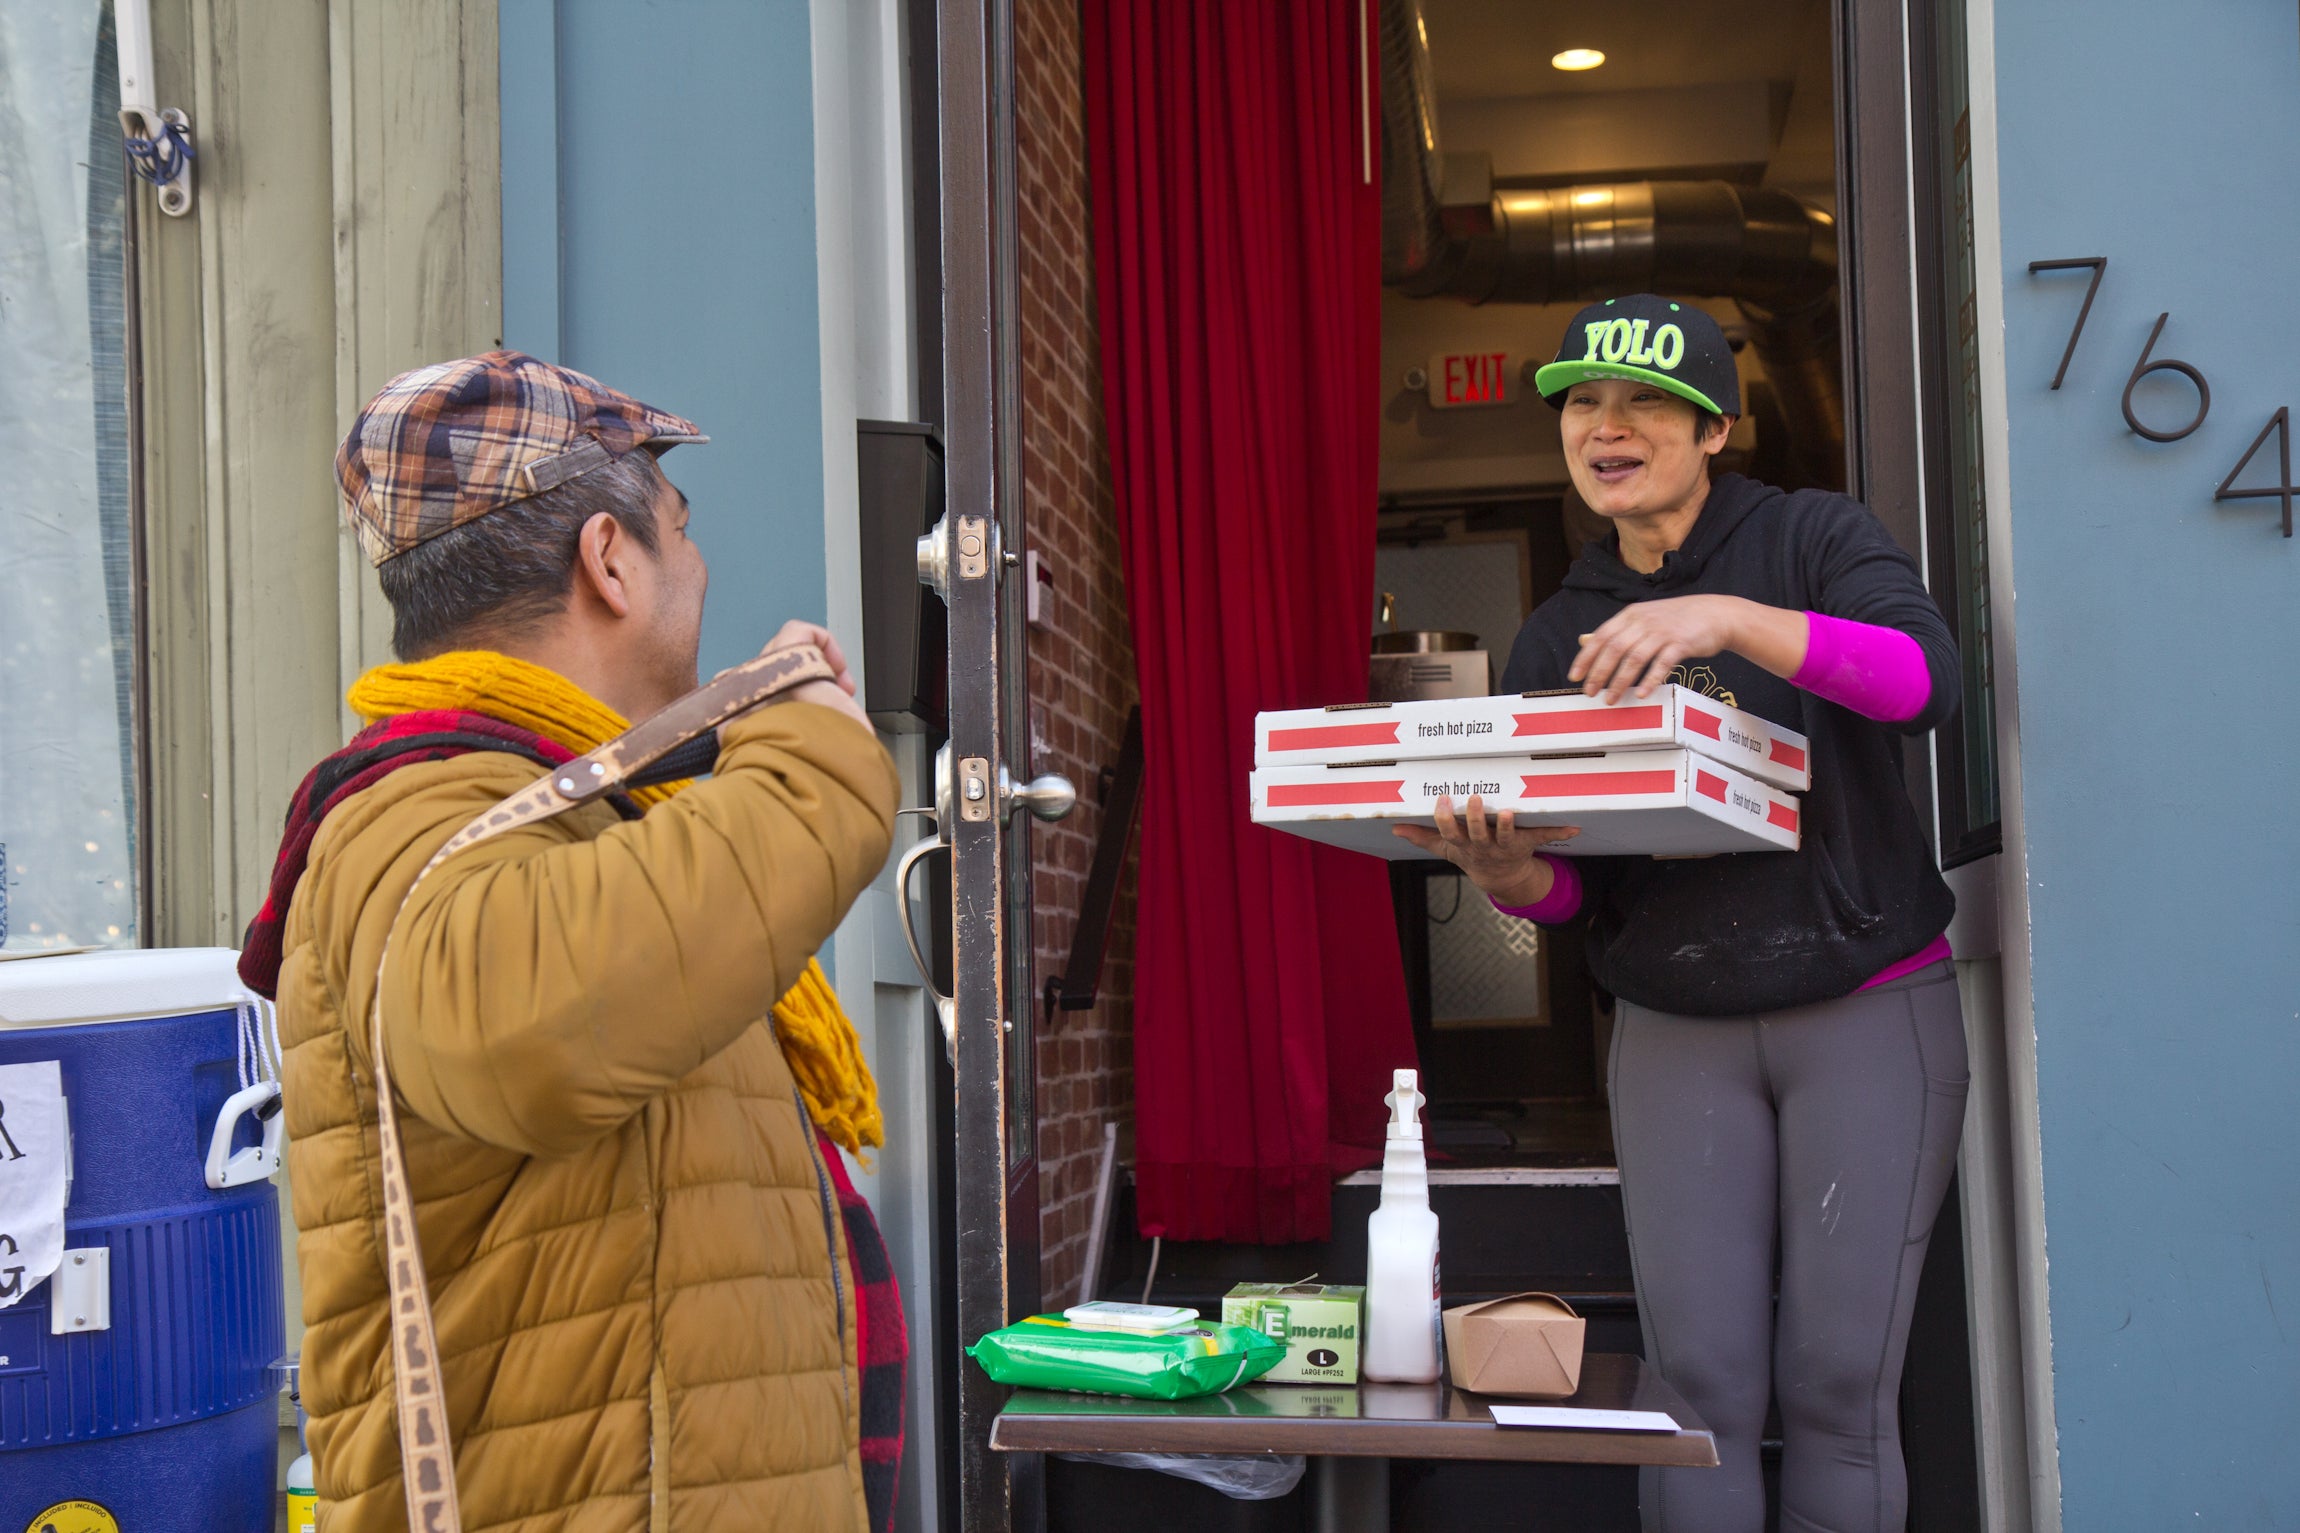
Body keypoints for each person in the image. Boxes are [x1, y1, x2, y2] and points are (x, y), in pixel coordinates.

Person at [243, 352, 902, 1531]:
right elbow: (531, 1033)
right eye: (680, 533)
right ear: (610, 560)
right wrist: (814, 757)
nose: (699, 570)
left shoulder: (581, 816)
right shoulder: (407, 813)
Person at [1398, 297, 1965, 1533]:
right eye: (1580, 403)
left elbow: (1924, 682)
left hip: (1863, 1012)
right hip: (1672, 1030)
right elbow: (1580, 890)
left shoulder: (1811, 538)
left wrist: (1721, 619)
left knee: (1838, 1389)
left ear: (1715, 430)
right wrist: (1504, 883)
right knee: (1692, 1390)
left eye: (1643, 400)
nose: (1605, 426)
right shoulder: (1560, 631)